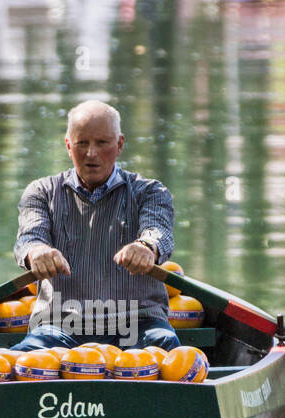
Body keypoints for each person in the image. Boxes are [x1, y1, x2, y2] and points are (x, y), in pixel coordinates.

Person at [10, 100, 179, 352]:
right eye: (82, 143)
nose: (91, 153)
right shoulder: (41, 192)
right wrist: (37, 252)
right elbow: (29, 238)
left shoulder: (150, 192)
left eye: (102, 143)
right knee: (22, 362)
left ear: (119, 144)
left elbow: (159, 232)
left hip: (139, 323)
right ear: (68, 145)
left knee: (166, 347)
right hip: (58, 326)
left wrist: (146, 247)